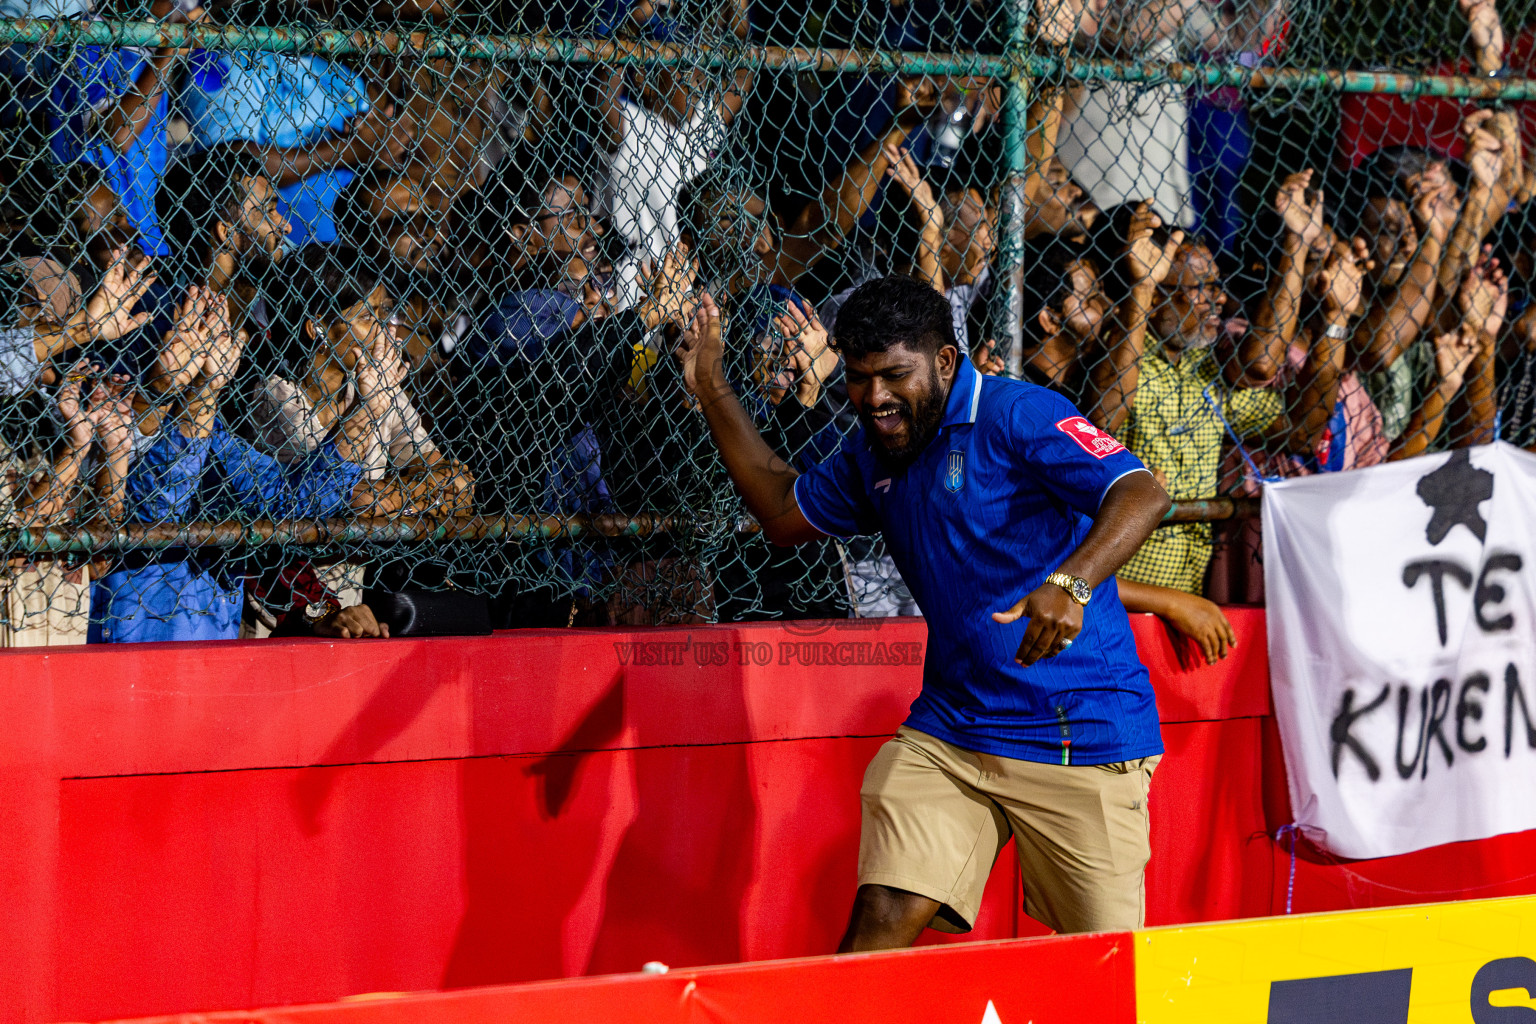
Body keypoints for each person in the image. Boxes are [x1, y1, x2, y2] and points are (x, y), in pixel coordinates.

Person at [674, 274, 1172, 943]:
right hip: (953, 733)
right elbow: (784, 513)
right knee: (880, 917)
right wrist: (712, 387)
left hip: (1077, 731)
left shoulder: (1018, 413)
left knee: (1104, 975)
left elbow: (1141, 491)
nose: (874, 398)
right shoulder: (872, 447)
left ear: (944, 361)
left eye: (893, 375)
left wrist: (1074, 584)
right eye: (856, 377)